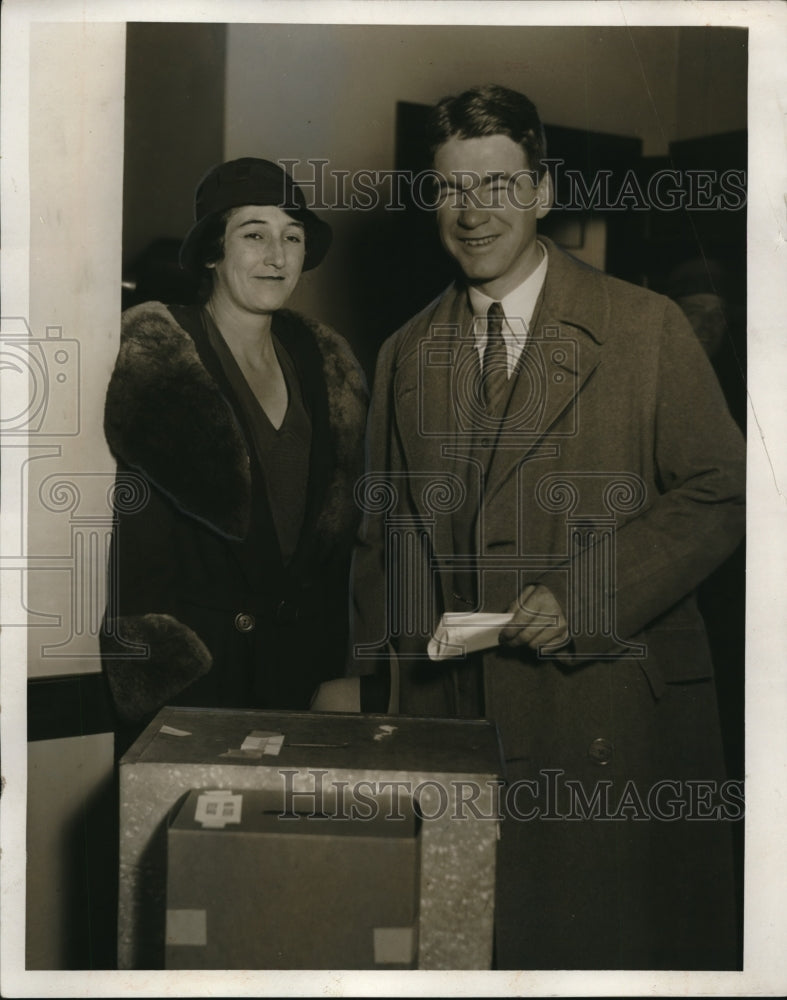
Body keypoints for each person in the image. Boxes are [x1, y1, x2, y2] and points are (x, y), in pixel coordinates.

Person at [349, 86, 746, 969]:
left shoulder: (646, 327)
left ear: (542, 192)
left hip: (610, 727)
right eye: (451, 187)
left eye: (496, 185)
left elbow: (722, 490)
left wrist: (588, 595)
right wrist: (382, 709)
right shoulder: (404, 352)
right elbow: (387, 548)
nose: (471, 211)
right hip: (454, 728)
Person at [100, 157, 367, 753]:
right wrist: (164, 710)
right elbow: (138, 566)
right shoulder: (164, 358)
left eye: (292, 237)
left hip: (304, 692)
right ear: (212, 253)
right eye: (254, 234)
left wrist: (337, 678)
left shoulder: (326, 365)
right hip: (198, 695)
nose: (277, 255)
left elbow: (332, 560)